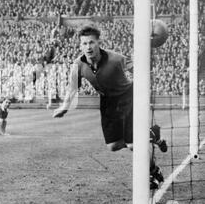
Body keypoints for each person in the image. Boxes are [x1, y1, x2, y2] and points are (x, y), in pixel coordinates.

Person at [53, 25, 167, 190]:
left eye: (91, 42)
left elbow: (139, 71)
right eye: (84, 43)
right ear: (80, 46)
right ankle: (151, 134)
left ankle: (151, 173)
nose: (88, 47)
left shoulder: (116, 58)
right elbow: (72, 88)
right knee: (113, 146)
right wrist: (64, 106)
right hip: (107, 102)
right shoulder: (78, 65)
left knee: (133, 144)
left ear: (98, 43)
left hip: (128, 97)